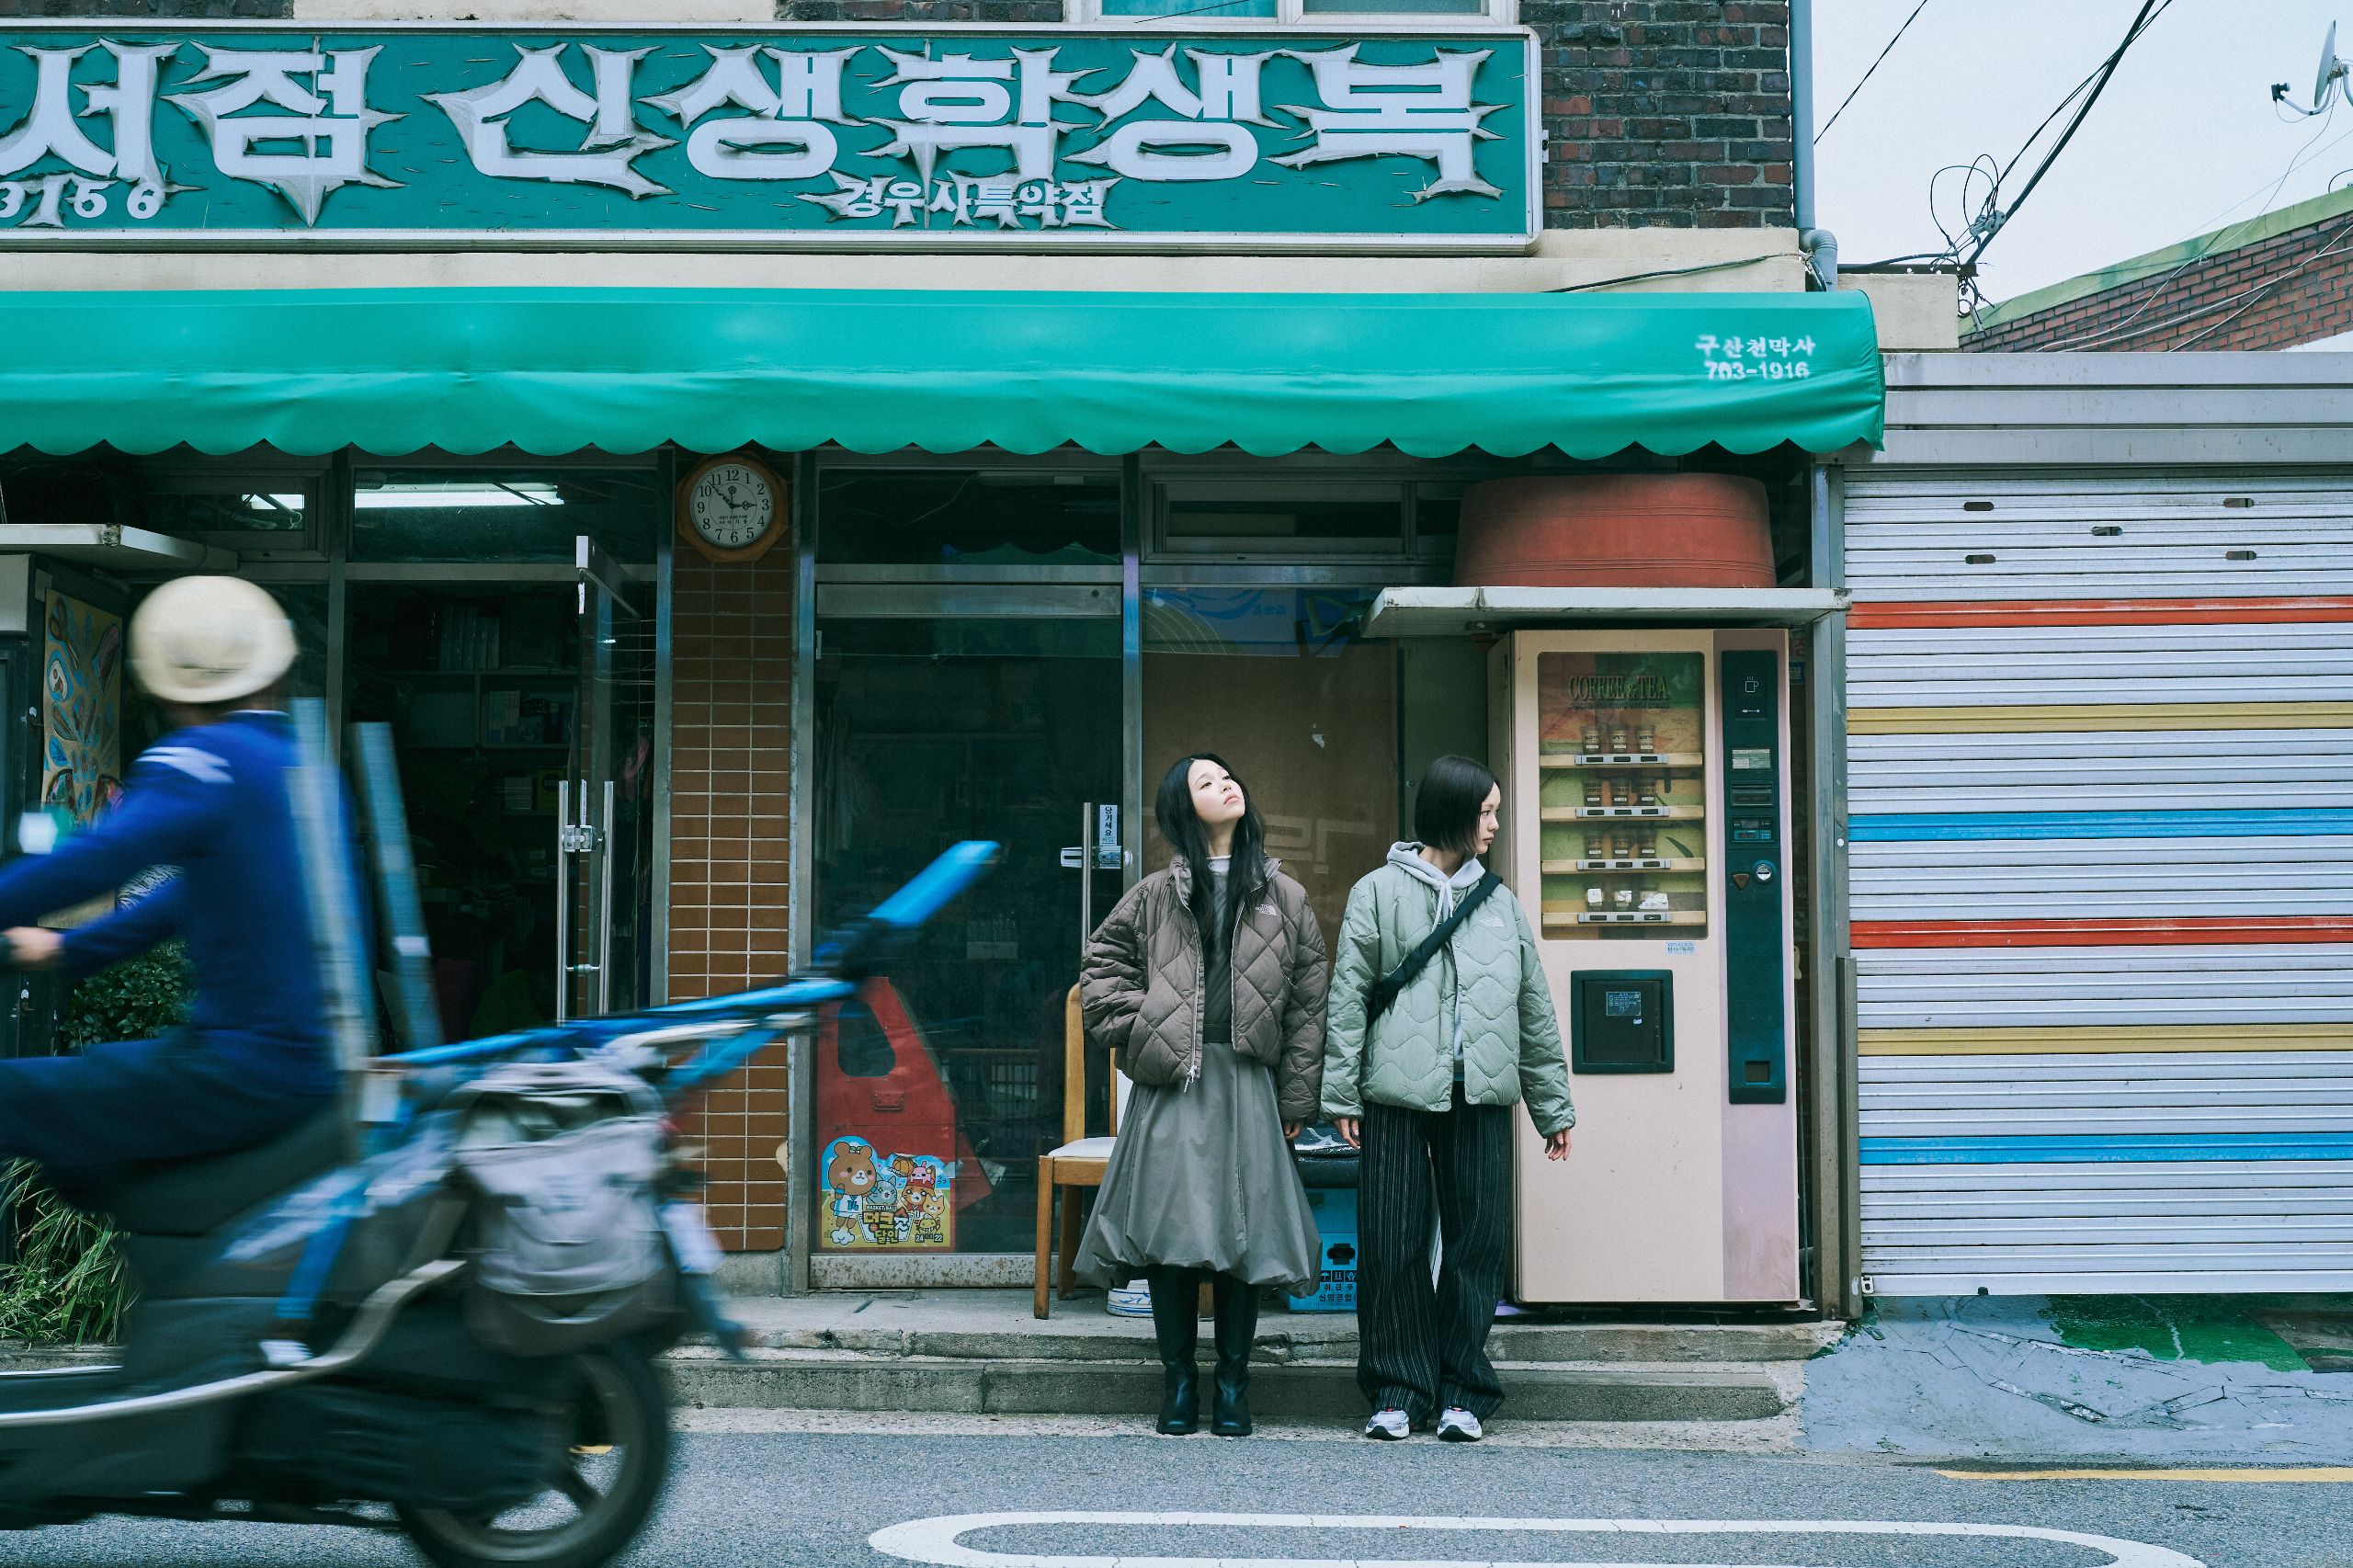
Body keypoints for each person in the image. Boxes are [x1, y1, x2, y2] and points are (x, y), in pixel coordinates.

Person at [0, 576, 335, 1196]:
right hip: (309, 1069)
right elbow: (193, 895)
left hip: (239, 1067)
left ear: (160, 687)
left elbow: (97, 860)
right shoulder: (305, 767)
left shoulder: (199, 759)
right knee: (78, 1163)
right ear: (274, 672)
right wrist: (65, 948)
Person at [1075, 754, 1329, 1437]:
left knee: (1245, 1235)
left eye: (1227, 775)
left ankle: (1235, 1387)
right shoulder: (1154, 894)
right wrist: (1148, 1024)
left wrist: (1296, 1101)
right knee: (1171, 1233)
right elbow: (1099, 973)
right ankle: (1180, 1383)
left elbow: (1310, 1008)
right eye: (1207, 782)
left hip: (1248, 1081)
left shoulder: (1285, 895)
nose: (1227, 785)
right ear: (1183, 810)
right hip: (1175, 1081)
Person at [1323, 754, 1573, 1444]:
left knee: (1477, 1242)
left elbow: (1533, 1011)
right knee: (1392, 1241)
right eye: (1486, 812)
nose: (1493, 825)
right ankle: (1398, 1389)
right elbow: (1348, 997)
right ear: (1452, 811)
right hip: (1395, 1092)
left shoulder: (1500, 903)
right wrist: (1341, 1094)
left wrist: (1552, 1108)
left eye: (1495, 812)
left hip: (1481, 1092)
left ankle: (1464, 1389)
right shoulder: (1377, 891)